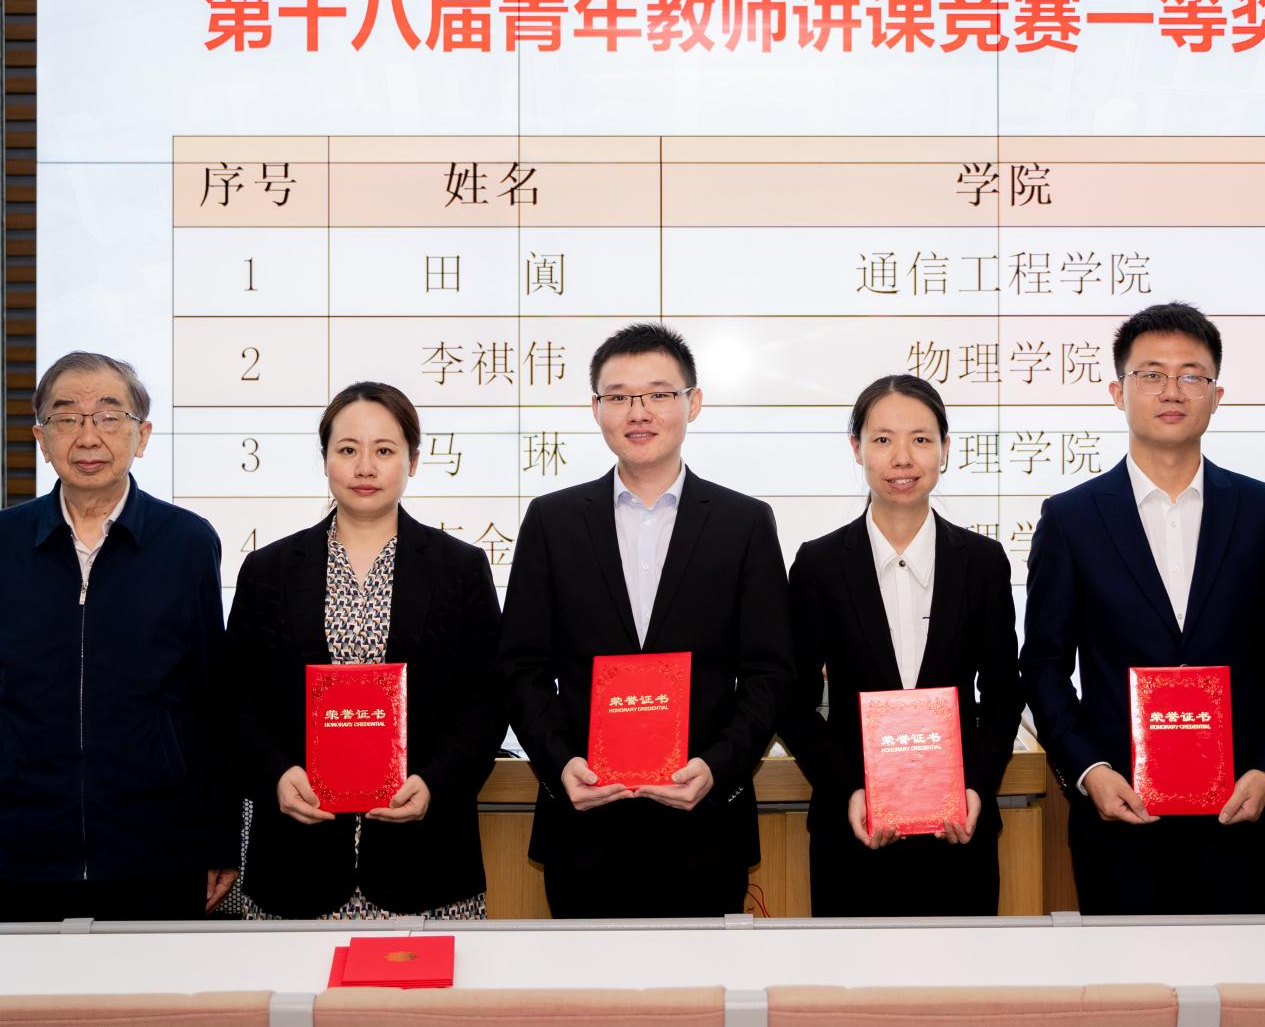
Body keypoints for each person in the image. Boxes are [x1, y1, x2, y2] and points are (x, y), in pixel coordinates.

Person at [1020, 303, 1265, 914]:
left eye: (1191, 375)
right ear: (1117, 391)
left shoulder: (1263, 512)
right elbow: (1044, 664)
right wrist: (1089, 770)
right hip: (1119, 813)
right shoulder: (1070, 518)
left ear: (1216, 396)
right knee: (1124, 972)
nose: (1171, 390)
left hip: (1237, 811)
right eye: (1151, 374)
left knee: (1234, 971)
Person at [499, 322, 794, 918]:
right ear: (596, 409)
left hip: (705, 830)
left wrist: (716, 768)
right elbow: (521, 667)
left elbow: (770, 673)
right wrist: (561, 764)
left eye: (659, 393)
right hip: (585, 828)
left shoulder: (744, 523)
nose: (639, 412)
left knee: (708, 982)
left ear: (693, 403)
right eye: (619, 396)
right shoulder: (552, 522)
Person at [0, 352, 237, 922]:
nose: (88, 436)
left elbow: (211, 702)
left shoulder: (186, 542)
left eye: (110, 416)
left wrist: (222, 840)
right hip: (23, 849)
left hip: (159, 848)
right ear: (41, 438)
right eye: (66, 418)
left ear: (142, 436)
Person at [222, 382, 505, 920]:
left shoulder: (459, 569)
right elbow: (237, 700)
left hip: (425, 857)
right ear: (325, 459)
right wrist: (276, 775)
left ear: (413, 461)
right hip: (295, 860)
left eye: (385, 450)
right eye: (348, 449)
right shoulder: (268, 571)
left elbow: (486, 700)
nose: (365, 467)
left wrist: (434, 783)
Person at [778, 375, 1023, 916]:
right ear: (856, 448)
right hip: (854, 829)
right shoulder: (819, 564)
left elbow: (1004, 694)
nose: (902, 458)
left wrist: (976, 787)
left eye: (921, 439)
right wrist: (850, 789)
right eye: (883, 439)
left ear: (945, 449)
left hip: (959, 829)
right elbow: (792, 701)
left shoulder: (982, 562)